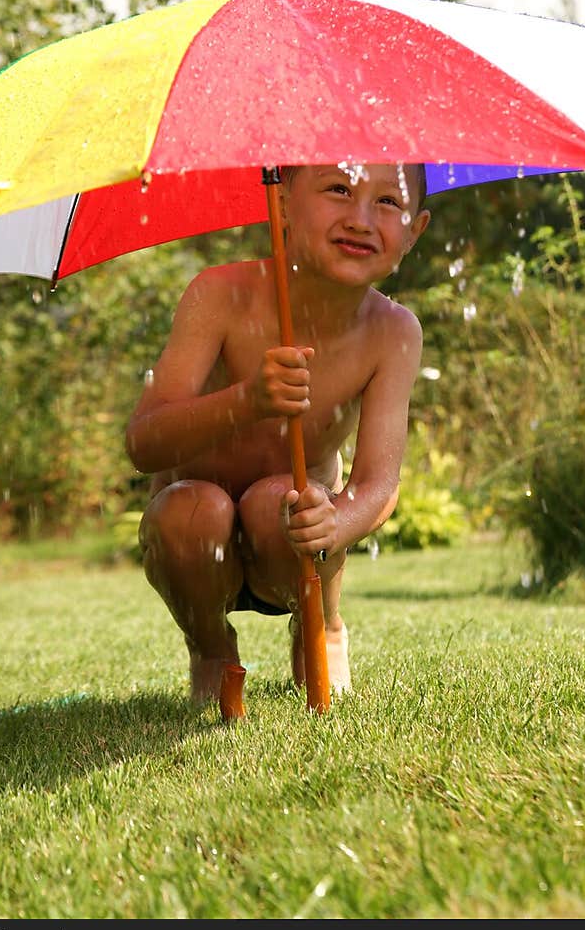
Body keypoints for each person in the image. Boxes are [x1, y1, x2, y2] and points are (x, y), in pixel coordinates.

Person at [125, 162, 431, 708]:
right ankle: (212, 646)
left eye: (388, 202)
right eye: (339, 189)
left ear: (415, 231)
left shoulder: (392, 331)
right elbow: (143, 444)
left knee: (283, 501)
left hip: (293, 542)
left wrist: (337, 522)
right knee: (191, 510)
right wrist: (247, 402)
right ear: (283, 201)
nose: (361, 219)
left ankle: (323, 624)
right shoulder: (219, 295)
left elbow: (379, 484)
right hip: (198, 539)